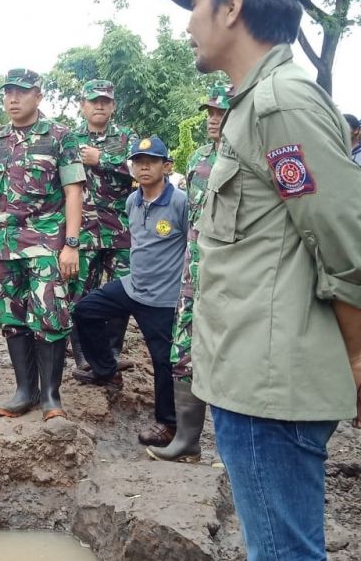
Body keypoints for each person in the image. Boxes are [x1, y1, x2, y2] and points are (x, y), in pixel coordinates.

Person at [158, 0, 361, 560]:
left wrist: (357, 356)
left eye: (194, 4)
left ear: (231, 6)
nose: (187, 25)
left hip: (272, 391)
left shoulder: (279, 105)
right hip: (253, 379)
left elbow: (346, 242)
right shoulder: (256, 105)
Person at [0, 68, 84, 421]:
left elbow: (73, 192)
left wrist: (72, 244)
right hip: (4, 244)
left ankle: (50, 395)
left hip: (47, 242)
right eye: (8, 93)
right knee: (11, 316)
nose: (13, 99)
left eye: (21, 92)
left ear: (38, 96)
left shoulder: (60, 136)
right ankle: (24, 390)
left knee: (50, 316)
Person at [72, 137, 188, 448]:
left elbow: (194, 245)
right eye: (138, 162)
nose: (144, 167)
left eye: (151, 161)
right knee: (85, 310)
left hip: (163, 297)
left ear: (166, 166)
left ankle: (169, 424)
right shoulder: (132, 201)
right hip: (132, 286)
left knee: (163, 360)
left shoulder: (180, 203)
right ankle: (107, 370)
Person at [148, 84, 229, 462]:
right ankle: (187, 440)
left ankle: (233, 449)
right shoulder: (199, 157)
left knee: (230, 355)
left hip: (232, 273)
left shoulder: (253, 156)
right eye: (210, 112)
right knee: (182, 351)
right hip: (194, 270)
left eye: (221, 112)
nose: (213, 119)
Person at [67, 79, 138, 372]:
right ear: (82, 105)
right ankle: (83, 356)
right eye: (94, 101)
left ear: (113, 106)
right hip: (83, 230)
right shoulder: (69, 138)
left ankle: (111, 353)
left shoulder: (127, 137)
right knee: (79, 292)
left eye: (105, 101)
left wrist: (102, 159)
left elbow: (141, 169)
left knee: (124, 290)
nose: (99, 105)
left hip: (120, 228)